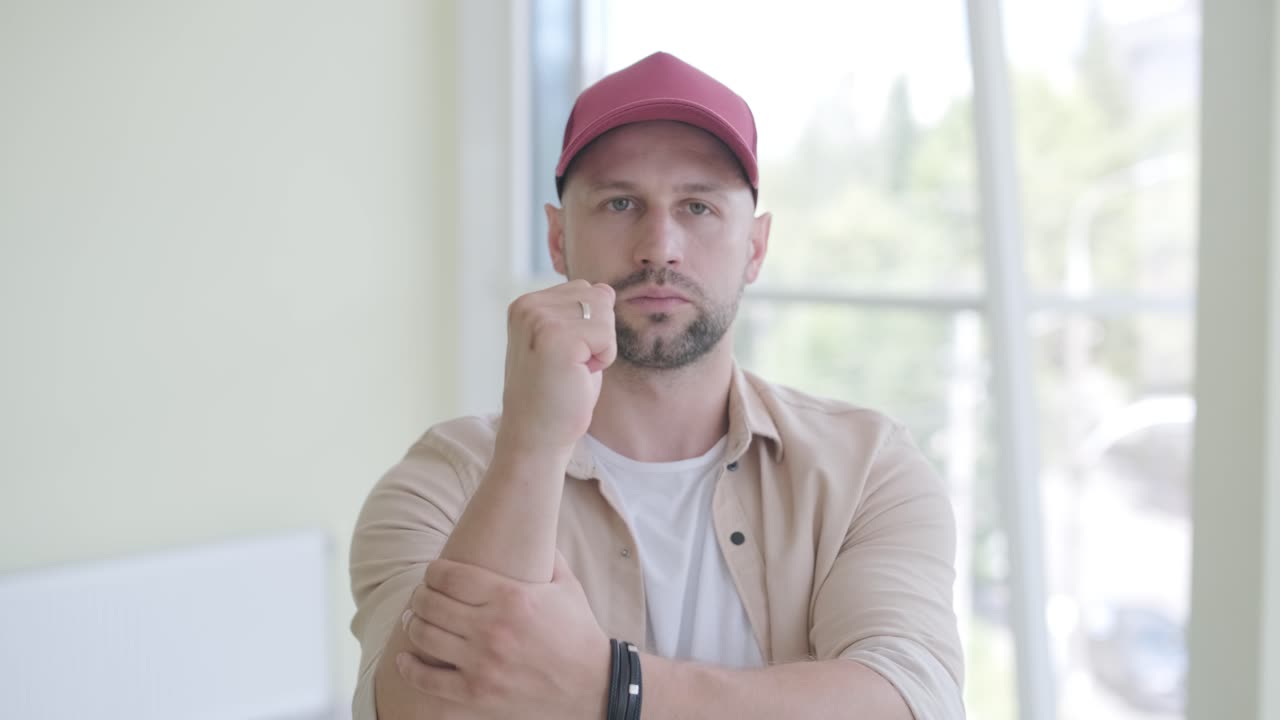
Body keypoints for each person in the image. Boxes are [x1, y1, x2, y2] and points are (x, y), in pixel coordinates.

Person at [349, 51, 965, 720]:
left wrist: (611, 686)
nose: (659, 246)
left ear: (755, 248)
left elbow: (911, 702)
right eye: (620, 203)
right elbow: (417, 711)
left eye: (698, 206)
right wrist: (530, 447)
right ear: (558, 240)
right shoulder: (443, 483)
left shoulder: (868, 469)